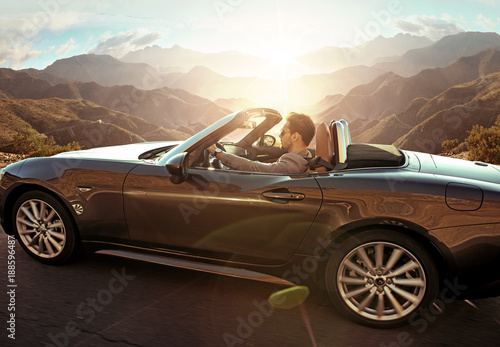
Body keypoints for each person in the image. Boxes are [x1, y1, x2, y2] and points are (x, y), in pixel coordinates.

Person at [207, 112, 316, 173]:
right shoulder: (306, 157)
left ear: (295, 136)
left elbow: (254, 167)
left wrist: (217, 153)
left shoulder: (293, 164)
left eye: (283, 132)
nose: (279, 135)